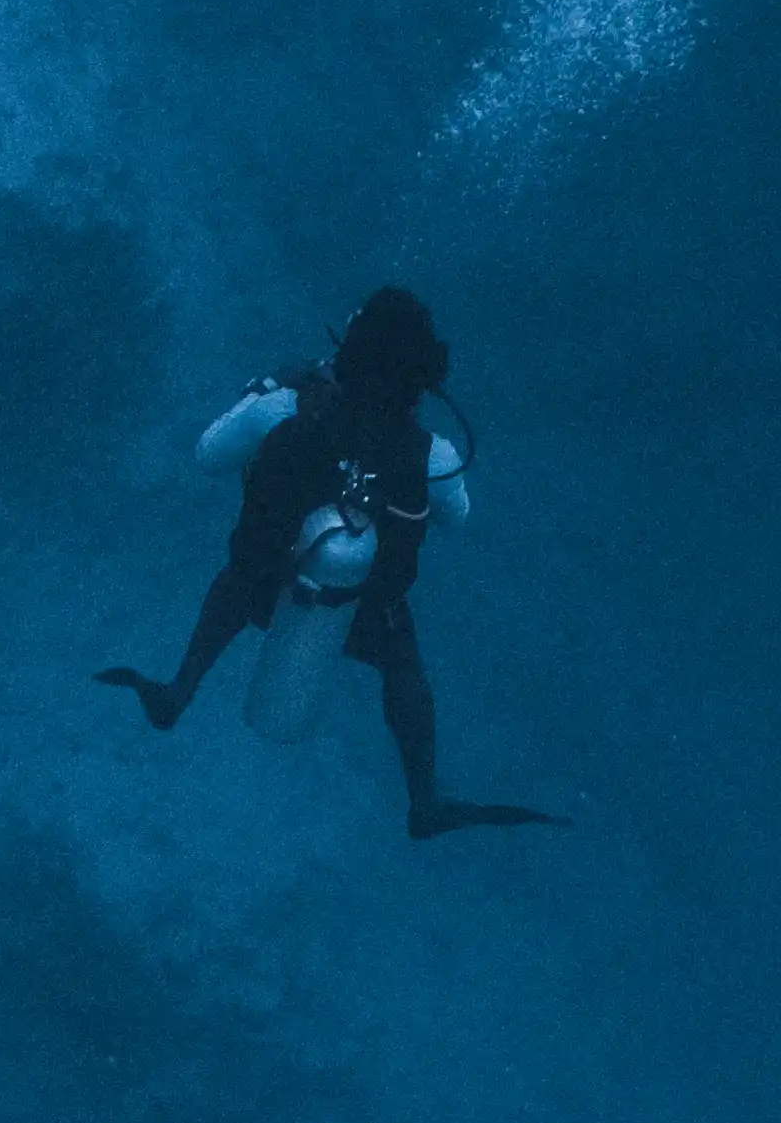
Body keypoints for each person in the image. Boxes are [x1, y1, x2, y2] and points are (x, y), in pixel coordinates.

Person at [103, 282, 539, 835]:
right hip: (361, 614)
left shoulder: (283, 409)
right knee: (403, 664)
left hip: (262, 589)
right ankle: (424, 799)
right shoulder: (436, 456)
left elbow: (208, 455)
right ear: (425, 382)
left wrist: (262, 391)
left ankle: (179, 688)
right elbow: (458, 518)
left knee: (237, 578)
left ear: (346, 355)